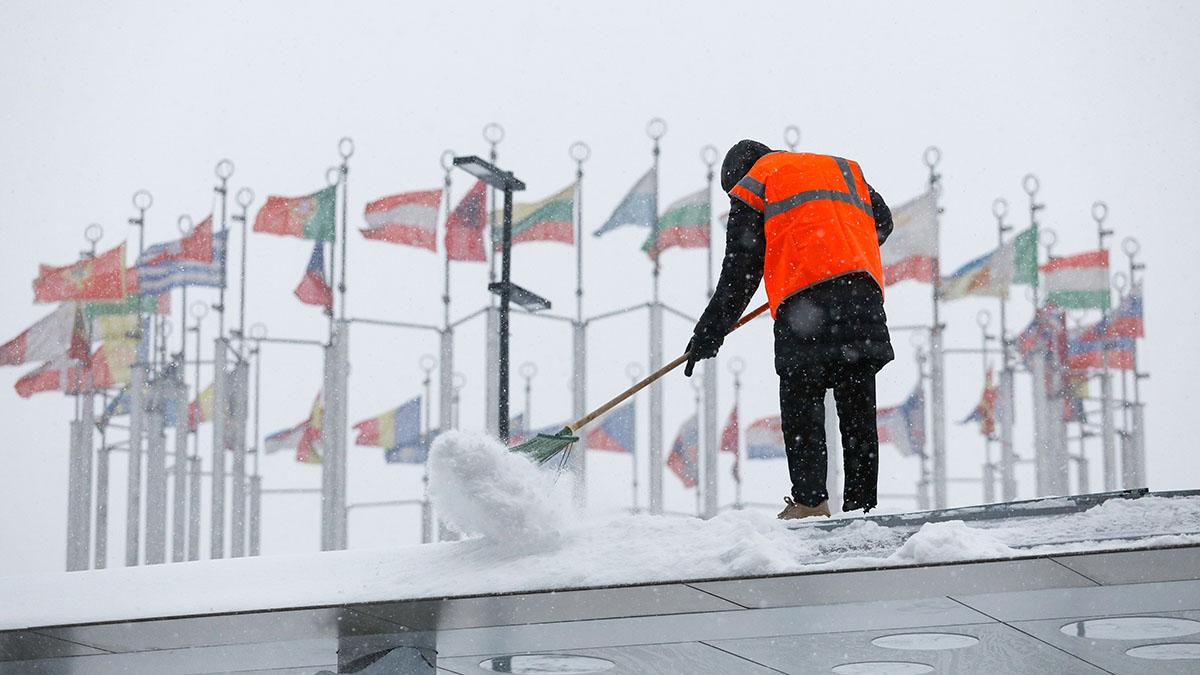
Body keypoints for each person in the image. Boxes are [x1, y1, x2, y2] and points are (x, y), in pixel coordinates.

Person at [686, 140, 894, 520]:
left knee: (802, 403)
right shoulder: (842, 168)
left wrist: (708, 333)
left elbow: (739, 276)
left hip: (806, 307)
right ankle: (862, 507)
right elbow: (883, 222)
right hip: (862, 297)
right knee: (857, 406)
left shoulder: (754, 182)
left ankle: (811, 502)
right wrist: (834, 248)